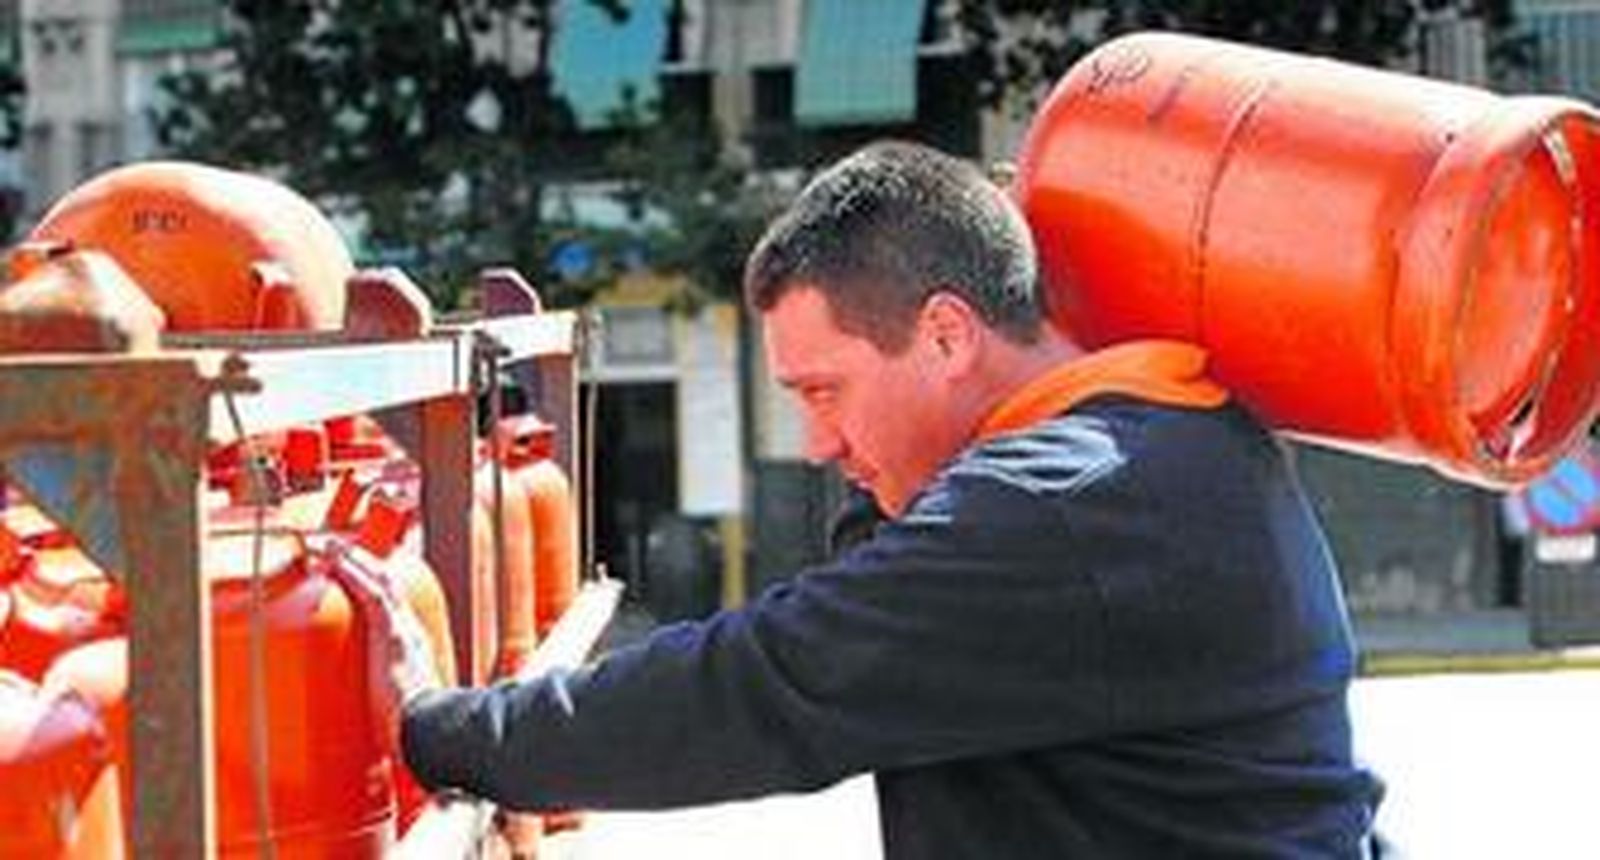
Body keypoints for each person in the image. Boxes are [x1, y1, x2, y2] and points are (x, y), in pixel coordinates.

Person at [366, 140, 1383, 857]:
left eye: (824, 390)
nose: (817, 441)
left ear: (946, 334)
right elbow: (869, 598)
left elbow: (771, 685)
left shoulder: (1067, 507)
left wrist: (437, 729)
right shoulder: (1174, 437)